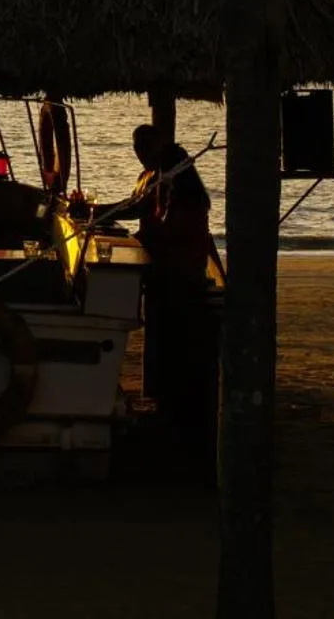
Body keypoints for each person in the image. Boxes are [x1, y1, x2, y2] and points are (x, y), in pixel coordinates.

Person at [123, 125, 216, 441]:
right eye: (136, 148)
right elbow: (140, 210)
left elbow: (168, 232)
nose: (139, 155)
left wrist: (139, 239)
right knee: (158, 327)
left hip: (180, 274)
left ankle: (169, 405)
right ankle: (160, 397)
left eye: (143, 149)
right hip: (168, 269)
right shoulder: (157, 179)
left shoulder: (180, 189)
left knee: (168, 332)